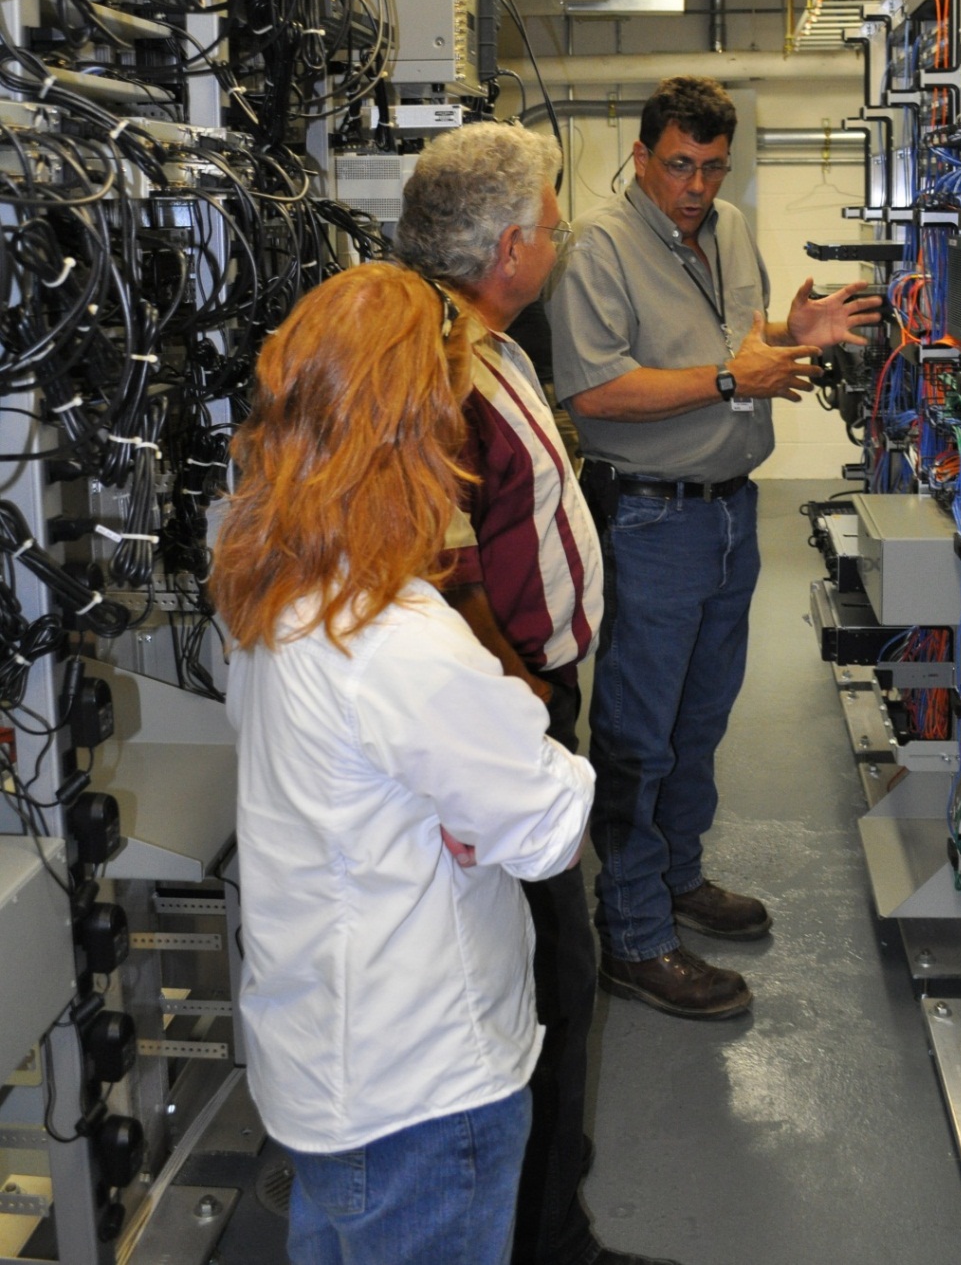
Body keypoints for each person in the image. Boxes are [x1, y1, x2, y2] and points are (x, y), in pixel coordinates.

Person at [212, 262, 594, 1265]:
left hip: (322, 1072)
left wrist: (462, 778)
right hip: (426, 1094)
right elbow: (549, 825)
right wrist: (513, 716)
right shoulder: (398, 633)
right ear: (417, 428)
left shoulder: (269, 585)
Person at [396, 123, 679, 1265]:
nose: (560, 237)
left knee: (542, 967)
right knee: (550, 970)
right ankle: (543, 1231)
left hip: (531, 692)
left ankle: (544, 1173)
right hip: (504, 707)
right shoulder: (438, 371)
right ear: (510, 245)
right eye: (553, 222)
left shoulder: (500, 345)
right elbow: (445, 577)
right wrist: (522, 710)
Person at [549, 76, 880, 1021]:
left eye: (712, 168)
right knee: (639, 733)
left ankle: (679, 875)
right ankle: (636, 930)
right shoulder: (599, 249)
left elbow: (731, 341)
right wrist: (739, 369)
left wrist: (789, 332)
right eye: (680, 166)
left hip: (732, 512)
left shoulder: (730, 230)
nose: (696, 186)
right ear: (643, 155)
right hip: (653, 517)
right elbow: (598, 393)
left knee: (701, 722)